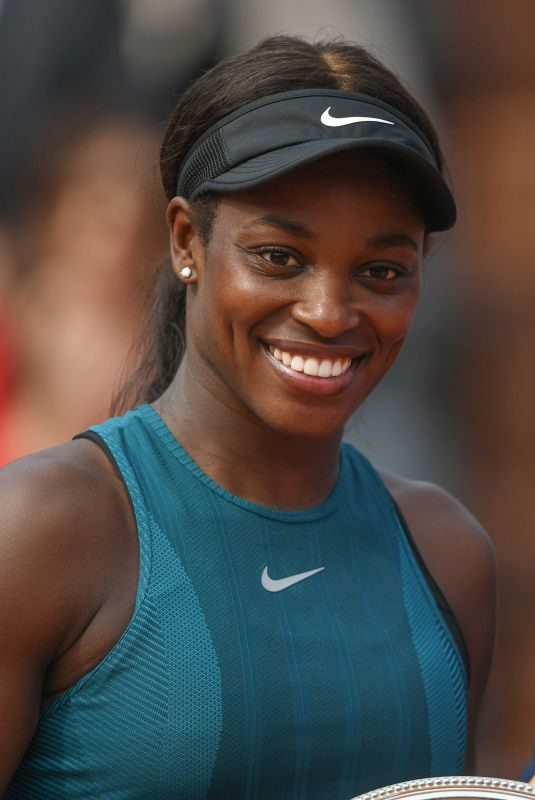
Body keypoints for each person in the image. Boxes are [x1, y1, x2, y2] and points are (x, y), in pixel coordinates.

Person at [0, 35, 495, 799]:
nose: (329, 313)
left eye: (380, 271)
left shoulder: (447, 553)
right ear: (185, 241)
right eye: (278, 257)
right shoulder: (40, 531)